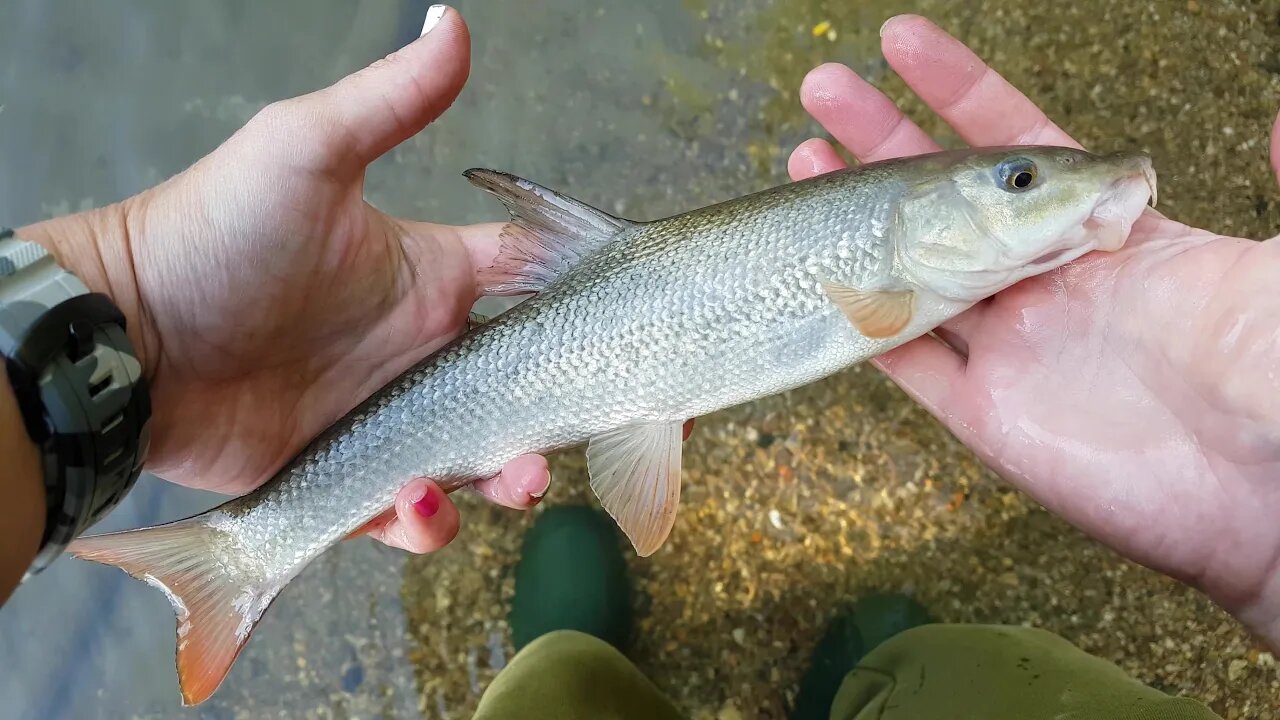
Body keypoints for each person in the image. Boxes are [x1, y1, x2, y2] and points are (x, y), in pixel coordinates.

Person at [0, 4, 1273, 715]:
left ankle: (579, 665)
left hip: (609, 344)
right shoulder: (894, 260)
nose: (1039, 188)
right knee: (939, 687)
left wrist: (138, 320)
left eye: (1019, 180)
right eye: (1014, 180)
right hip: (597, 338)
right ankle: (878, 685)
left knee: (553, 695)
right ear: (925, 211)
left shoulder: (925, 265)